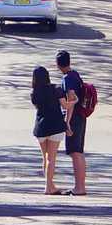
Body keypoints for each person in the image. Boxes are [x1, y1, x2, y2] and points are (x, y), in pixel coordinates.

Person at [30, 66, 70, 194]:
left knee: (45, 157)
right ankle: (48, 188)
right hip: (55, 126)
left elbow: (37, 107)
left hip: (41, 127)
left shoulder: (34, 93)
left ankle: (50, 185)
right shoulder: (56, 89)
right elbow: (65, 105)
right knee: (51, 158)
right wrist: (75, 101)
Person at [55, 50, 87, 195]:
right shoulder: (75, 74)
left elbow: (71, 100)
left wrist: (67, 122)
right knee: (79, 152)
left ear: (57, 64)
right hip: (81, 116)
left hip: (73, 117)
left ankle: (79, 187)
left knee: (74, 152)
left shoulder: (67, 78)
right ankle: (81, 186)